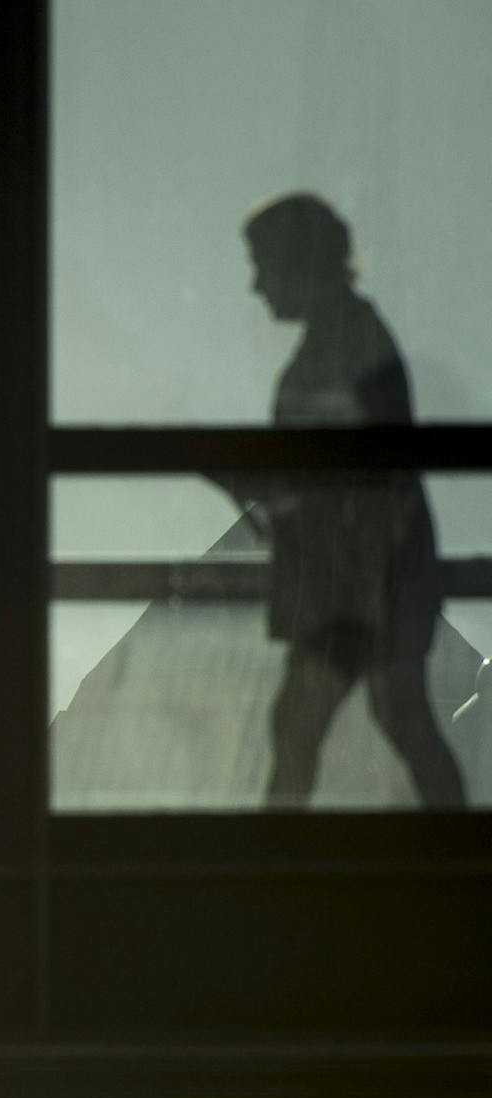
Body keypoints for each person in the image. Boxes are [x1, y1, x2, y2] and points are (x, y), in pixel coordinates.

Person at [212, 192, 465, 808]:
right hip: (366, 577)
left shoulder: (345, 348)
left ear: (297, 263)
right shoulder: (354, 339)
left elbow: (340, 478)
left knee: (304, 725)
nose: (256, 286)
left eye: (263, 266)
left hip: (357, 580)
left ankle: (278, 855)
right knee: (389, 717)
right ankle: (460, 844)